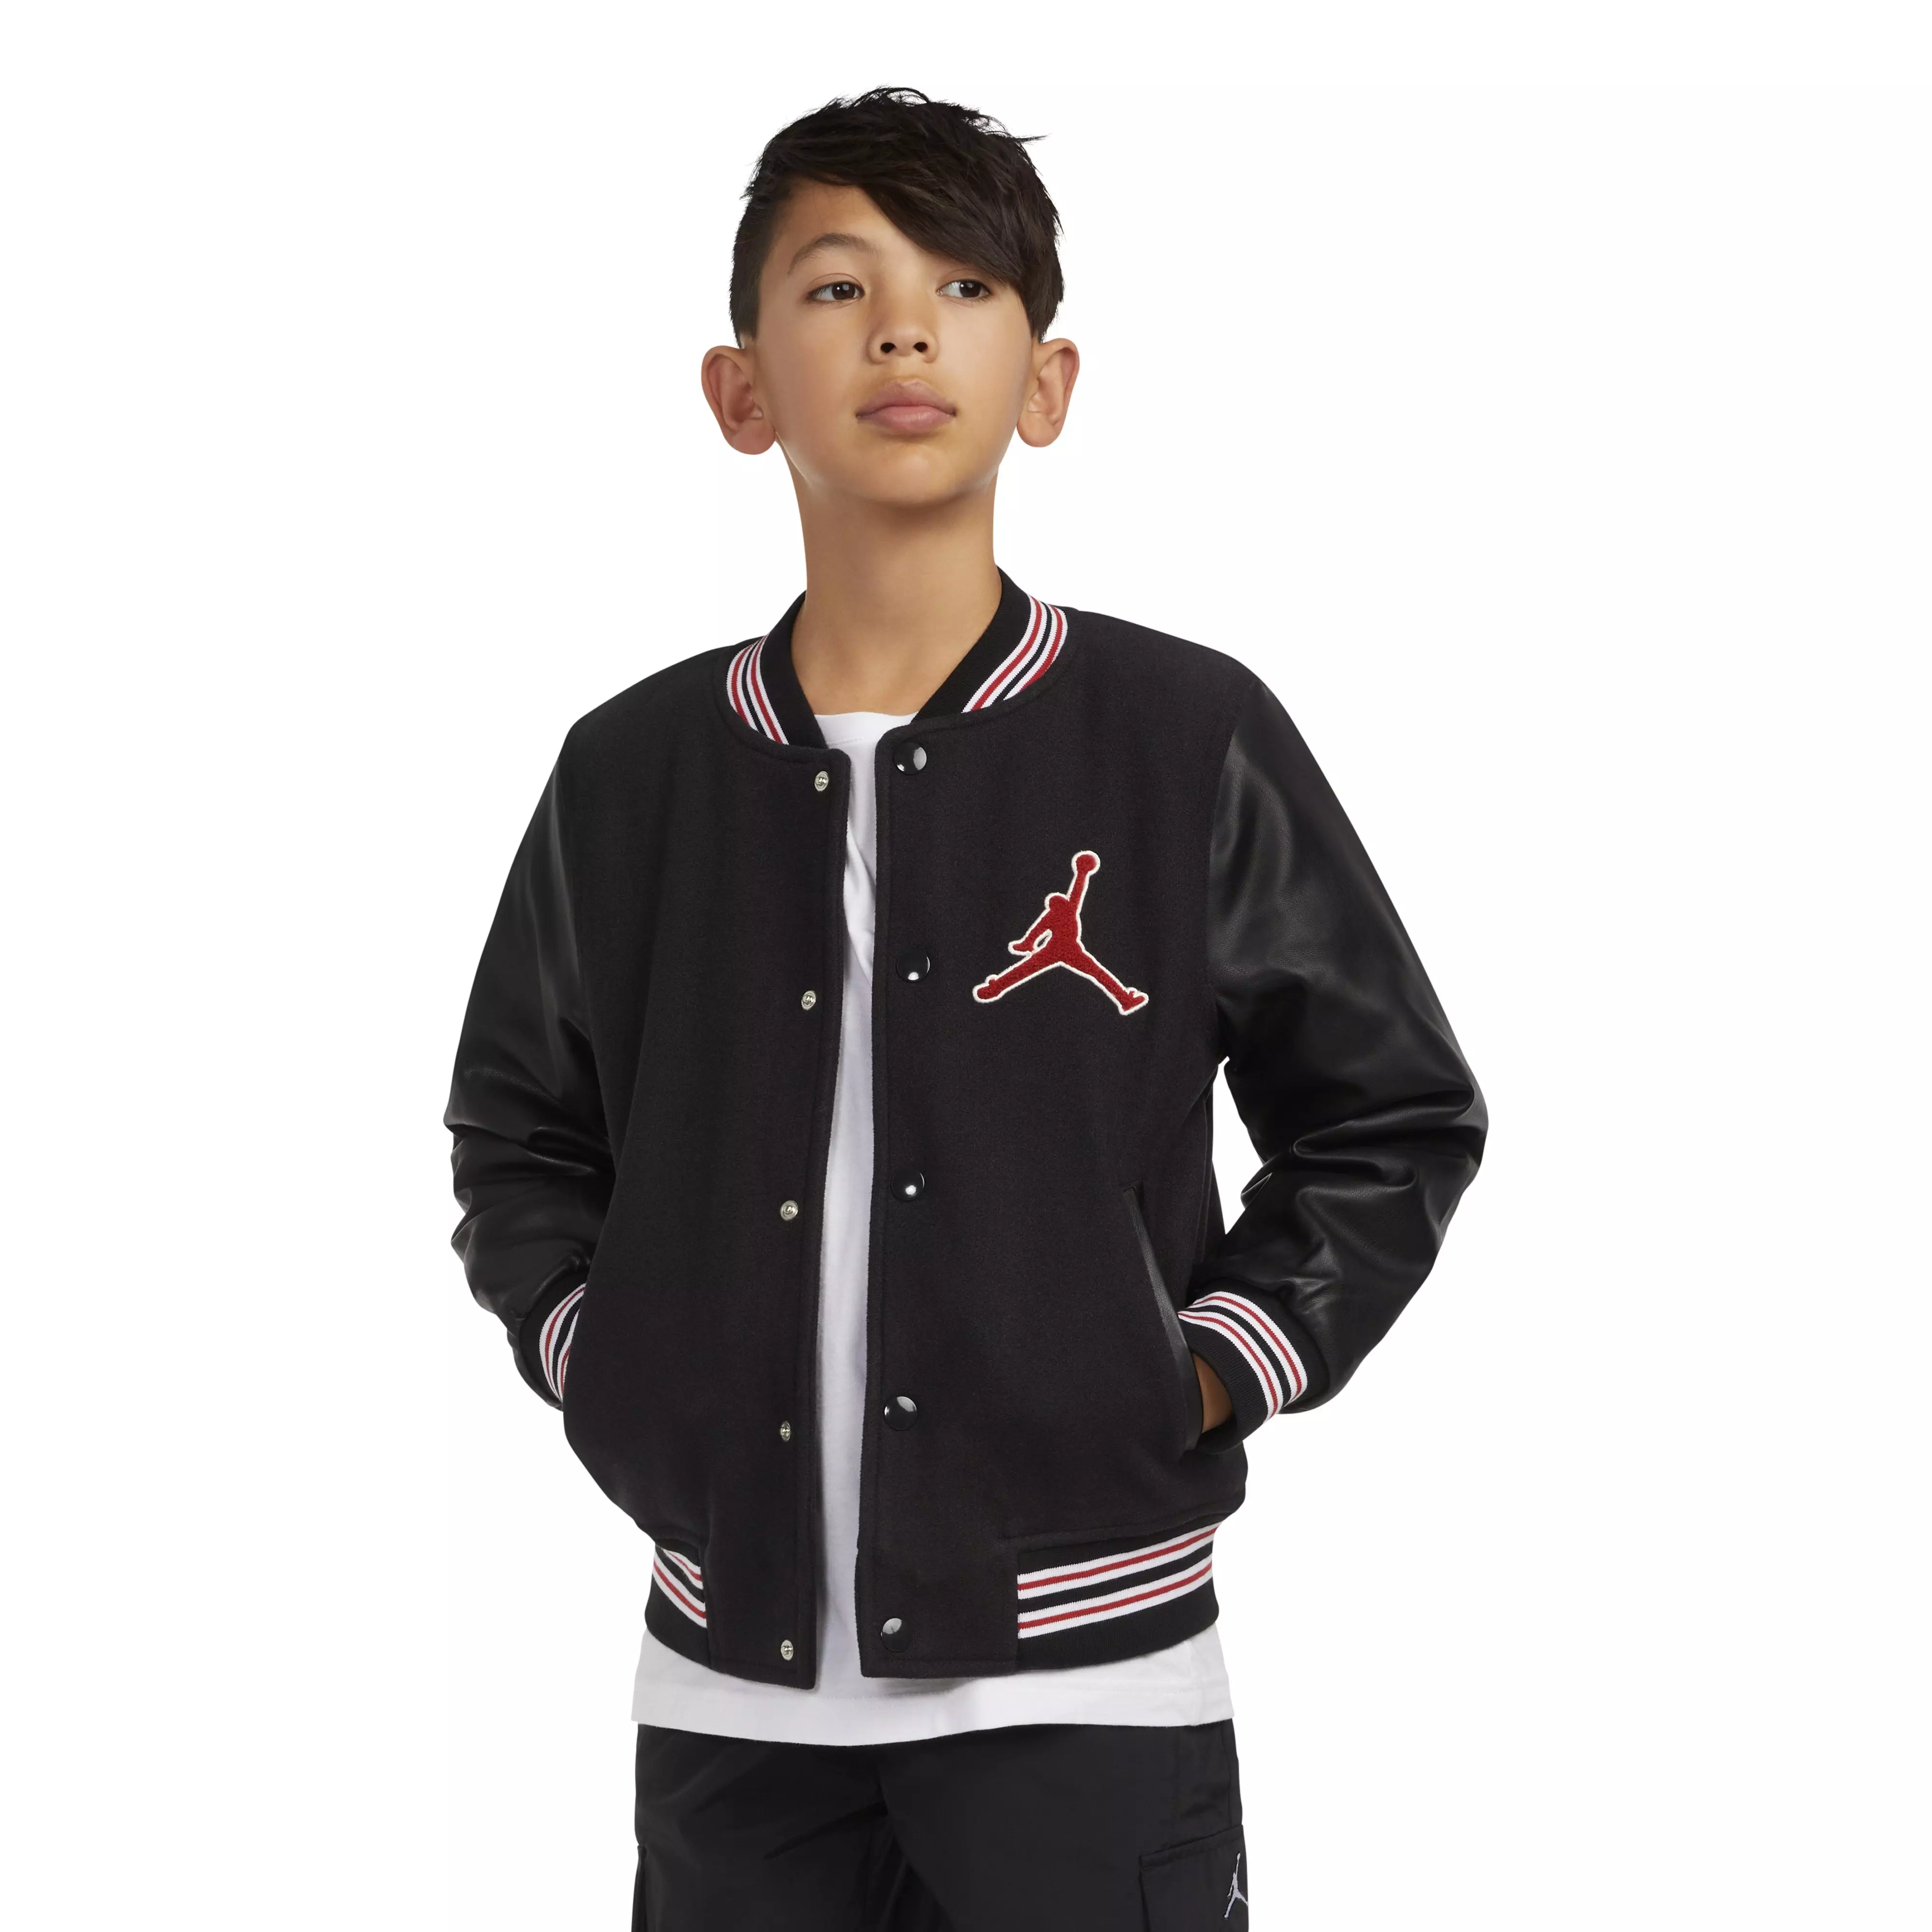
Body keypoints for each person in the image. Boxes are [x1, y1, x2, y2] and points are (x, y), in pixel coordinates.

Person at [445, 86, 1486, 1931]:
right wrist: (603, 1356)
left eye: (964, 287)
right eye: (838, 287)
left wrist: (1210, 1361)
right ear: (740, 389)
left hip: (1090, 1682)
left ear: (1047, 381)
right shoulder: (634, 771)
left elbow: (1387, 1113)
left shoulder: (1180, 735)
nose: (905, 331)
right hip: (731, 1689)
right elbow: (519, 1131)